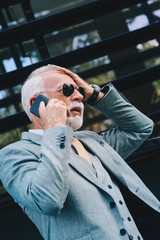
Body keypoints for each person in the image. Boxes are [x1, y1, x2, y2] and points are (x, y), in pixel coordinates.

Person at [0, 64, 159, 240]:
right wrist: (55, 130)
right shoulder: (13, 155)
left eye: (80, 91)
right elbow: (48, 201)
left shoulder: (91, 141)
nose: (78, 96)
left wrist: (94, 94)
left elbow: (140, 128)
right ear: (36, 103)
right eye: (66, 90)